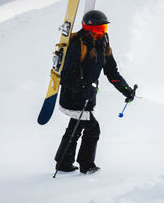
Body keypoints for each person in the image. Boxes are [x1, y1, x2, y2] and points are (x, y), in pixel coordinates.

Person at [54, 10, 135, 174]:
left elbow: (112, 72)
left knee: (75, 128)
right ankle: (87, 165)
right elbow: (66, 77)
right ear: (87, 28)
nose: (101, 33)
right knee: (93, 128)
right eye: (98, 29)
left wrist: (125, 90)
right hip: (73, 98)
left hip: (87, 98)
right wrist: (84, 88)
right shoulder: (78, 45)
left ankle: (63, 162)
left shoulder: (103, 44)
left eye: (104, 29)